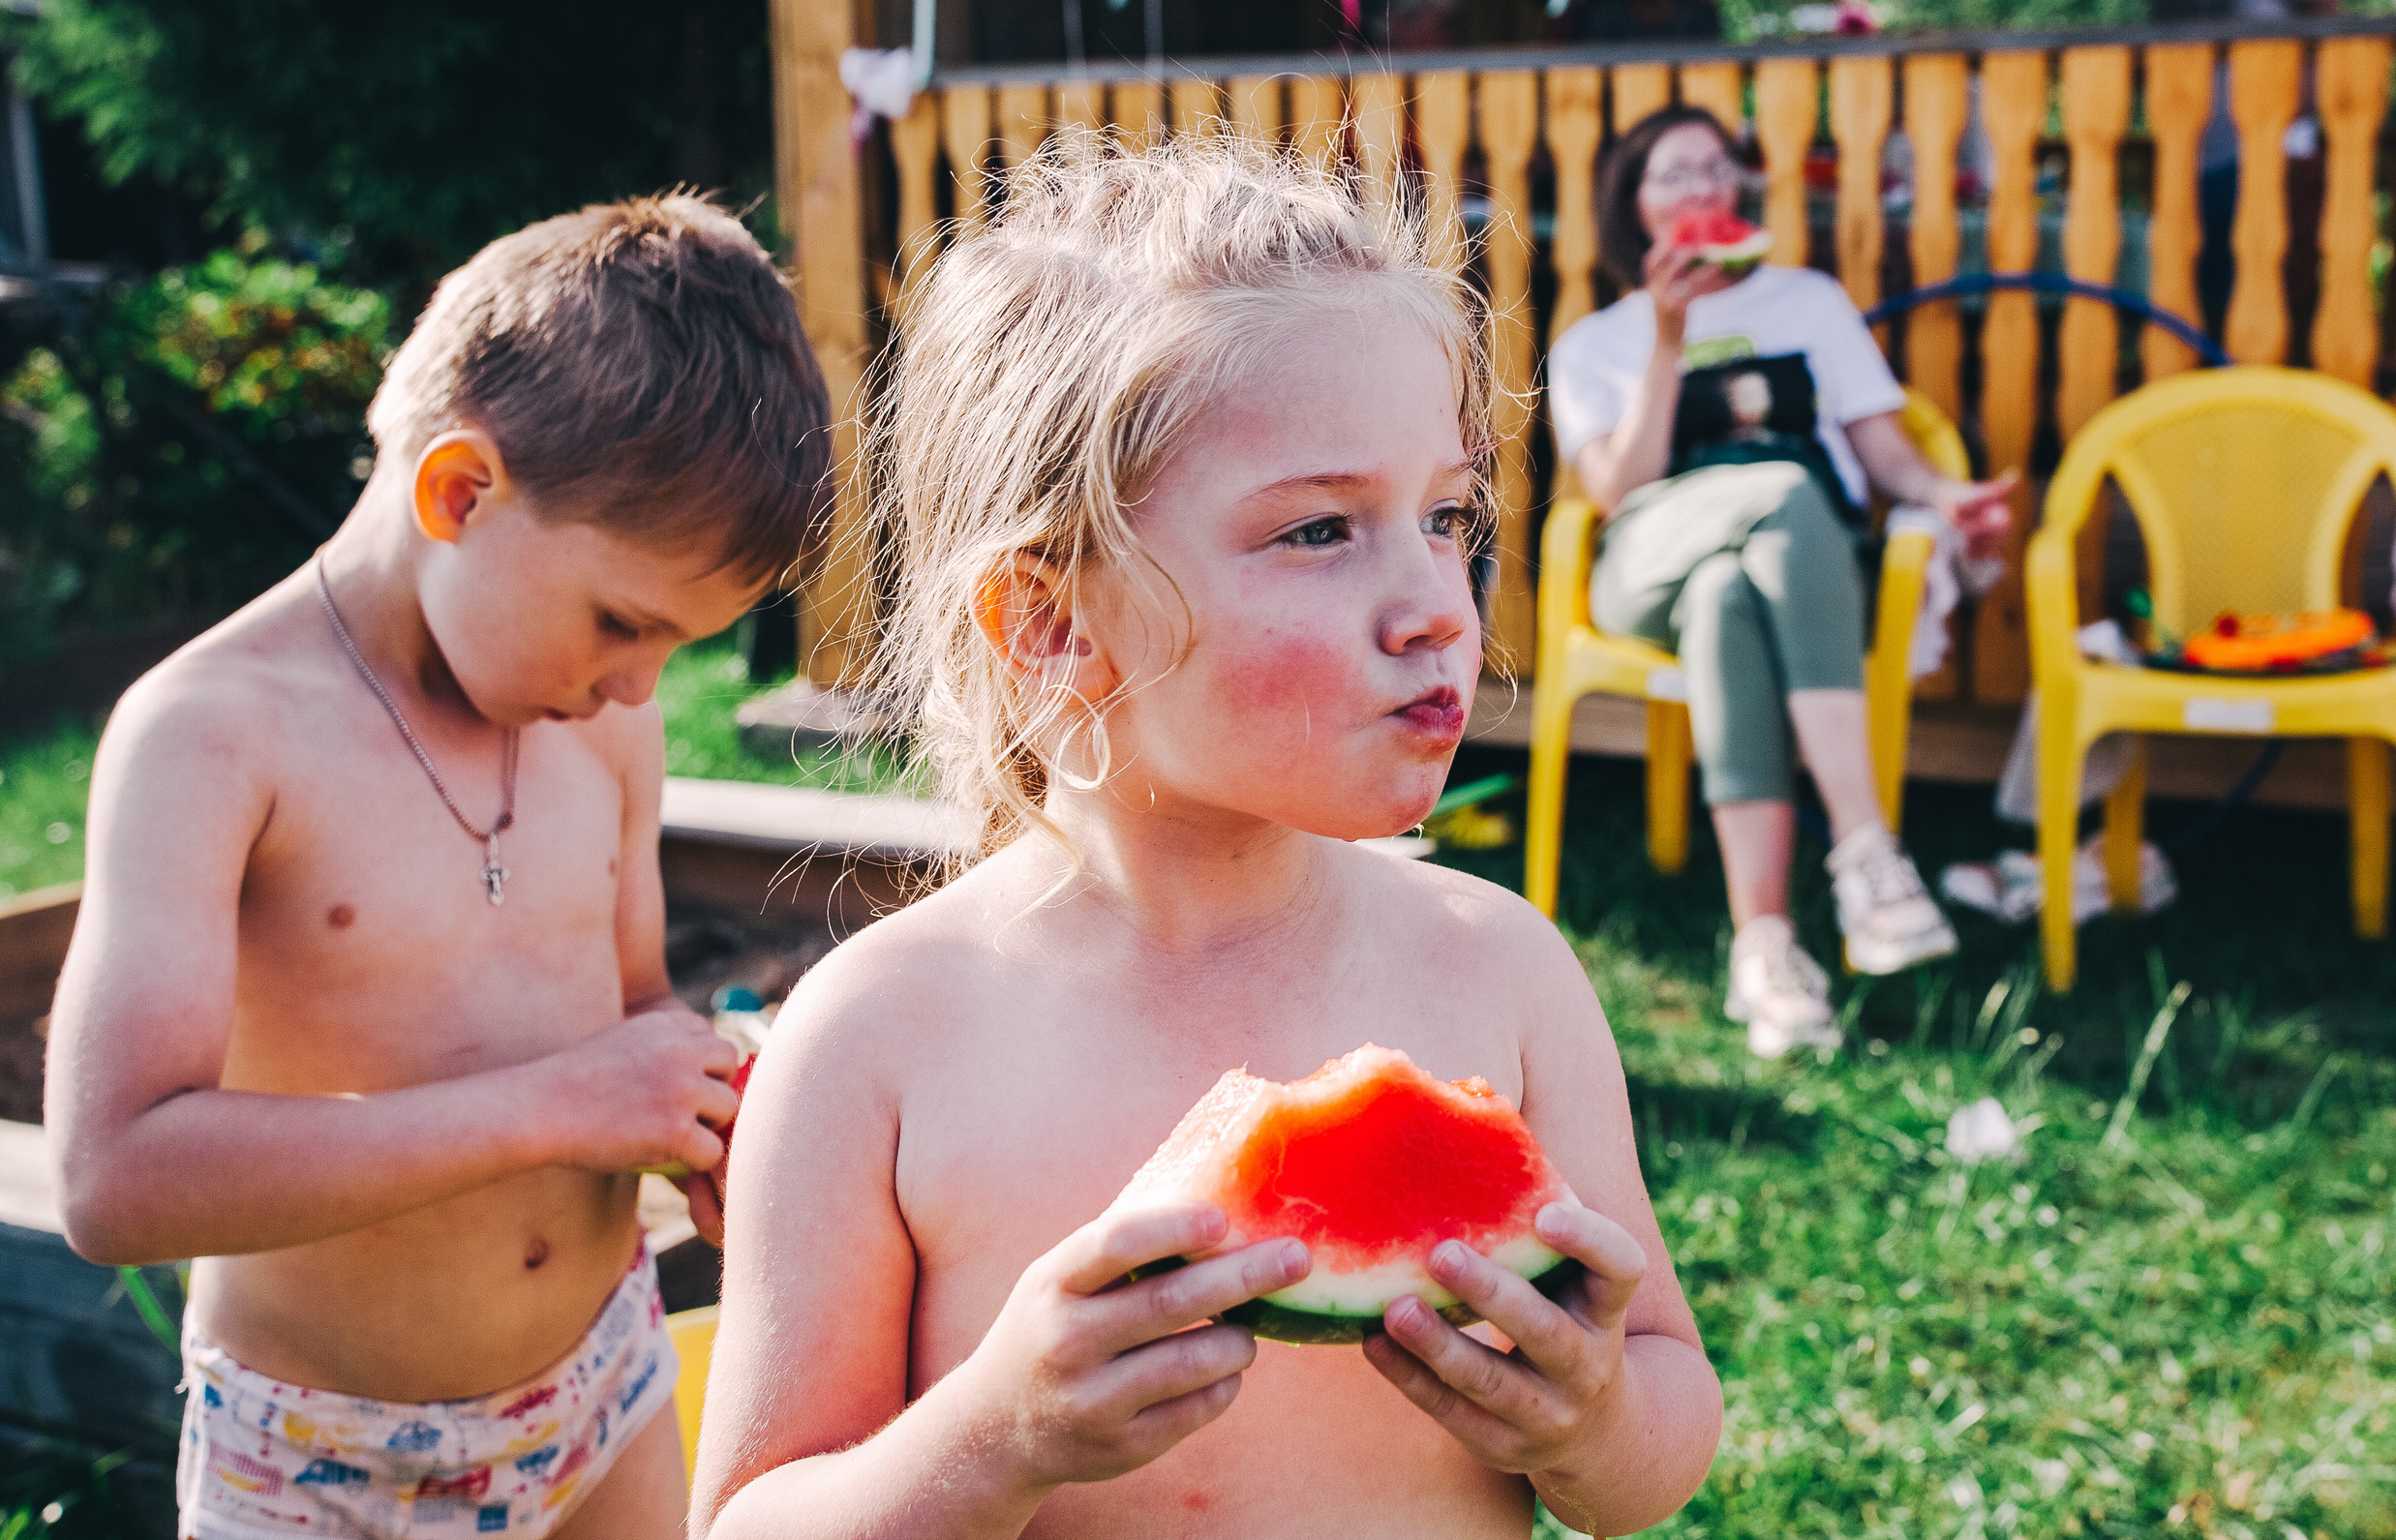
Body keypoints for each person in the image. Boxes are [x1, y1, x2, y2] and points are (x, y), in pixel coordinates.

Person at [690, 136, 1723, 1540]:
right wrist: (995, 1435)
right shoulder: (875, 1038)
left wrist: (1597, 1419)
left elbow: (1663, 1421)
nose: (1433, 599)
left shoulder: (1503, 968)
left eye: (1447, 516)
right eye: (1319, 531)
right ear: (1051, 623)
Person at [45, 196, 834, 1540]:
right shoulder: (212, 736)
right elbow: (113, 1175)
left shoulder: (609, 723)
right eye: (619, 622)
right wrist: (558, 1103)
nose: (637, 687)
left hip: (604, 1387)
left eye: (674, 650)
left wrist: (693, 1108)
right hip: (319, 1453)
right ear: (459, 492)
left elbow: (633, 997)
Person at [1545, 106, 2015, 1057]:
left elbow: (1882, 446)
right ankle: (1864, 846)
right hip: (1645, 562)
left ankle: (1765, 951)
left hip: (1782, 571)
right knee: (1784, 492)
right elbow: (1617, 488)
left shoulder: (1807, 304)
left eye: (1718, 169)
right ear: (1630, 202)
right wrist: (1669, 339)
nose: (1704, 189)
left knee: (1729, 596)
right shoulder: (1595, 342)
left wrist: (1946, 494)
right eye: (1675, 173)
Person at [2147, 0, 2341, 337]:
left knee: (2269, 288)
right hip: (2187, 152)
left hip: (2266, 147)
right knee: (2192, 295)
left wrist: (2299, 123)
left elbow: (2328, 21)